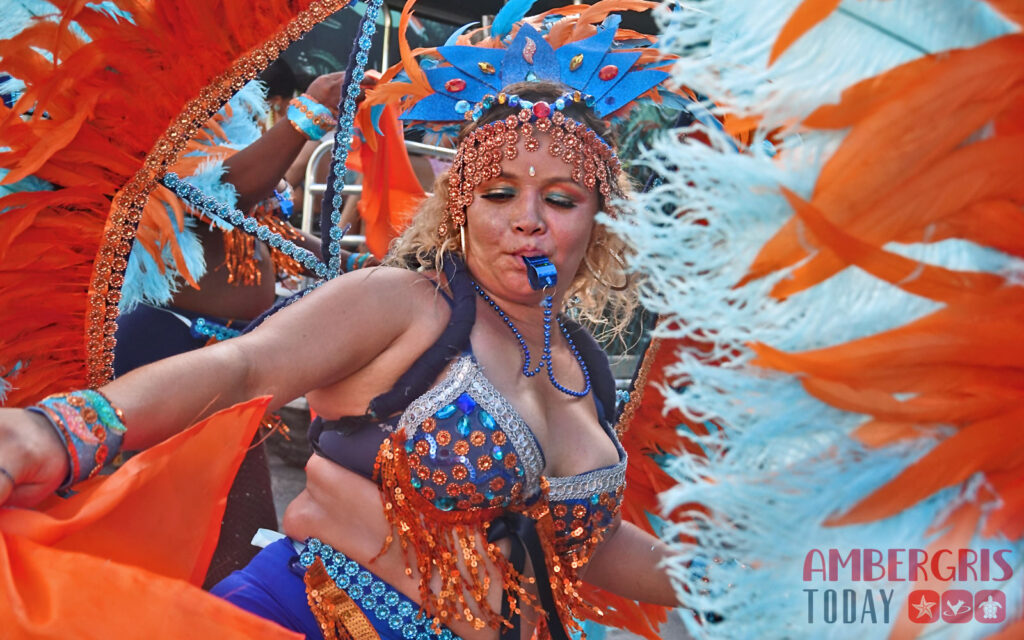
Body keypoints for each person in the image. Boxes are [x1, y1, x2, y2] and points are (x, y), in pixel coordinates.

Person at [0, 7, 683, 640]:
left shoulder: (586, 367)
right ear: (460, 209)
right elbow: (244, 366)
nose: (527, 220)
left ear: (599, 220)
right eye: (499, 192)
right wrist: (54, 432)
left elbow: (587, 543)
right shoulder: (408, 304)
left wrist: (729, 572)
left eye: (559, 199)